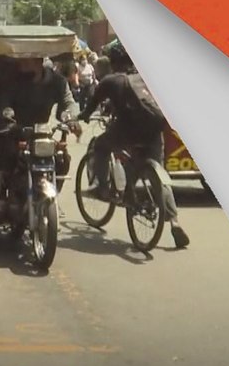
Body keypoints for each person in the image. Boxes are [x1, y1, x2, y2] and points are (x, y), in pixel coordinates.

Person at [78, 43, 189, 249]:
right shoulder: (145, 78)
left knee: (101, 146)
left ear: (112, 62)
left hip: (128, 131)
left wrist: (83, 116)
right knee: (159, 175)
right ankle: (174, 223)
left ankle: (102, 188)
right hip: (155, 130)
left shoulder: (110, 81)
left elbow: (90, 107)